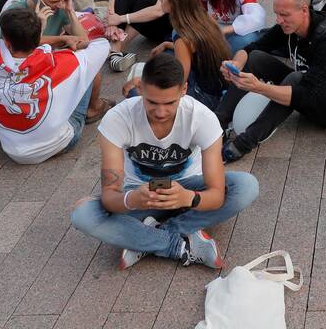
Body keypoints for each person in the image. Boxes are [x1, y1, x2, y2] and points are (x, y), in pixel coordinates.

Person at [70, 53, 259, 269]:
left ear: (184, 90)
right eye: (152, 102)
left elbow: (215, 195)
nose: (161, 112)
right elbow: (110, 196)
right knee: (82, 214)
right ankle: (176, 244)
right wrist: (133, 199)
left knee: (246, 186)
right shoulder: (117, 119)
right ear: (139, 88)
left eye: (170, 103)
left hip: (189, 187)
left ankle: (144, 237)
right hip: (140, 191)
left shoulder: (202, 118)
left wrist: (188, 197)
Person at [219, 0, 326, 161]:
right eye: (276, 14)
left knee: (296, 79)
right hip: (307, 87)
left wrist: (259, 87)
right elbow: (252, 48)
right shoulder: (289, 26)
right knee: (256, 58)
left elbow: (308, 92)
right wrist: (236, 64)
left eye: (284, 15)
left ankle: (243, 143)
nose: (279, 20)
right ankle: (217, 125)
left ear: (304, 10)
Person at [0, 5, 109, 165]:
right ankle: (94, 108)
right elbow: (102, 45)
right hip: (59, 144)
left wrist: (40, 34)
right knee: (86, 69)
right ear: (38, 36)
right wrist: (72, 41)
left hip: (12, 151)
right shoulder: (61, 61)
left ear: (7, 40)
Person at [137, 0, 232, 112]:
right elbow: (195, 48)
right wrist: (166, 44)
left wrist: (146, 87)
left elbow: (180, 78)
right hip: (219, 87)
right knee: (167, 55)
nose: (160, 0)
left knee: (138, 94)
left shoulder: (182, 35)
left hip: (205, 97)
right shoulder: (203, 17)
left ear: (173, 3)